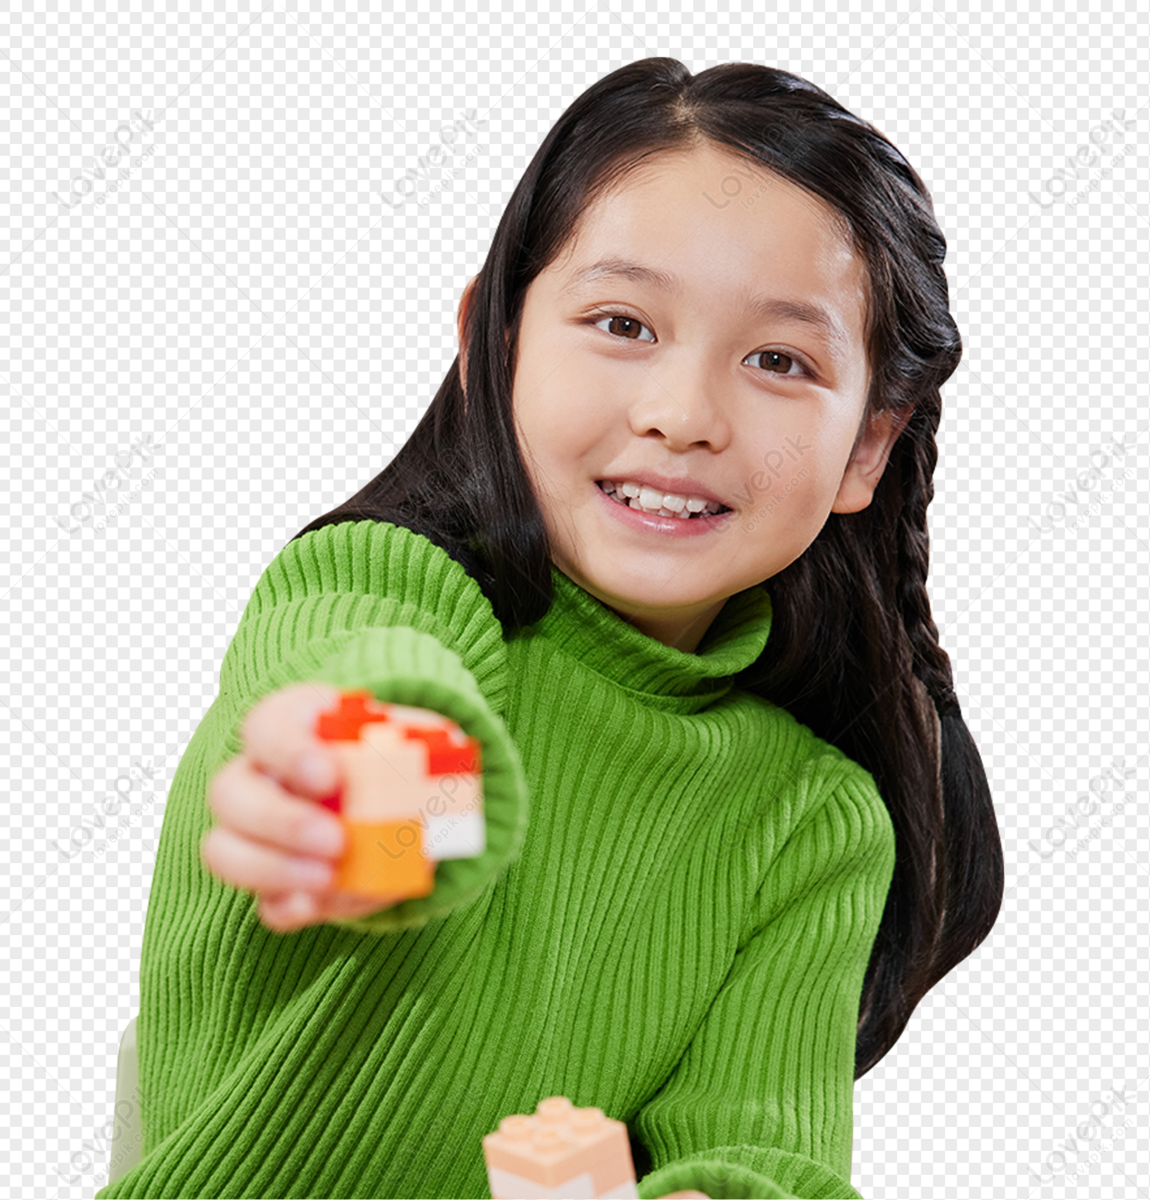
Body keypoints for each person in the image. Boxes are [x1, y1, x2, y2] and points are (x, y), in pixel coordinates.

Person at [96, 57, 1003, 1200]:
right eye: (622, 322)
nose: (681, 415)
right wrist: (377, 809)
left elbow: (764, 1153)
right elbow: (395, 731)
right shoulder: (383, 581)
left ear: (869, 443)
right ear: (494, 339)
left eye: (778, 360)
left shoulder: (813, 821)